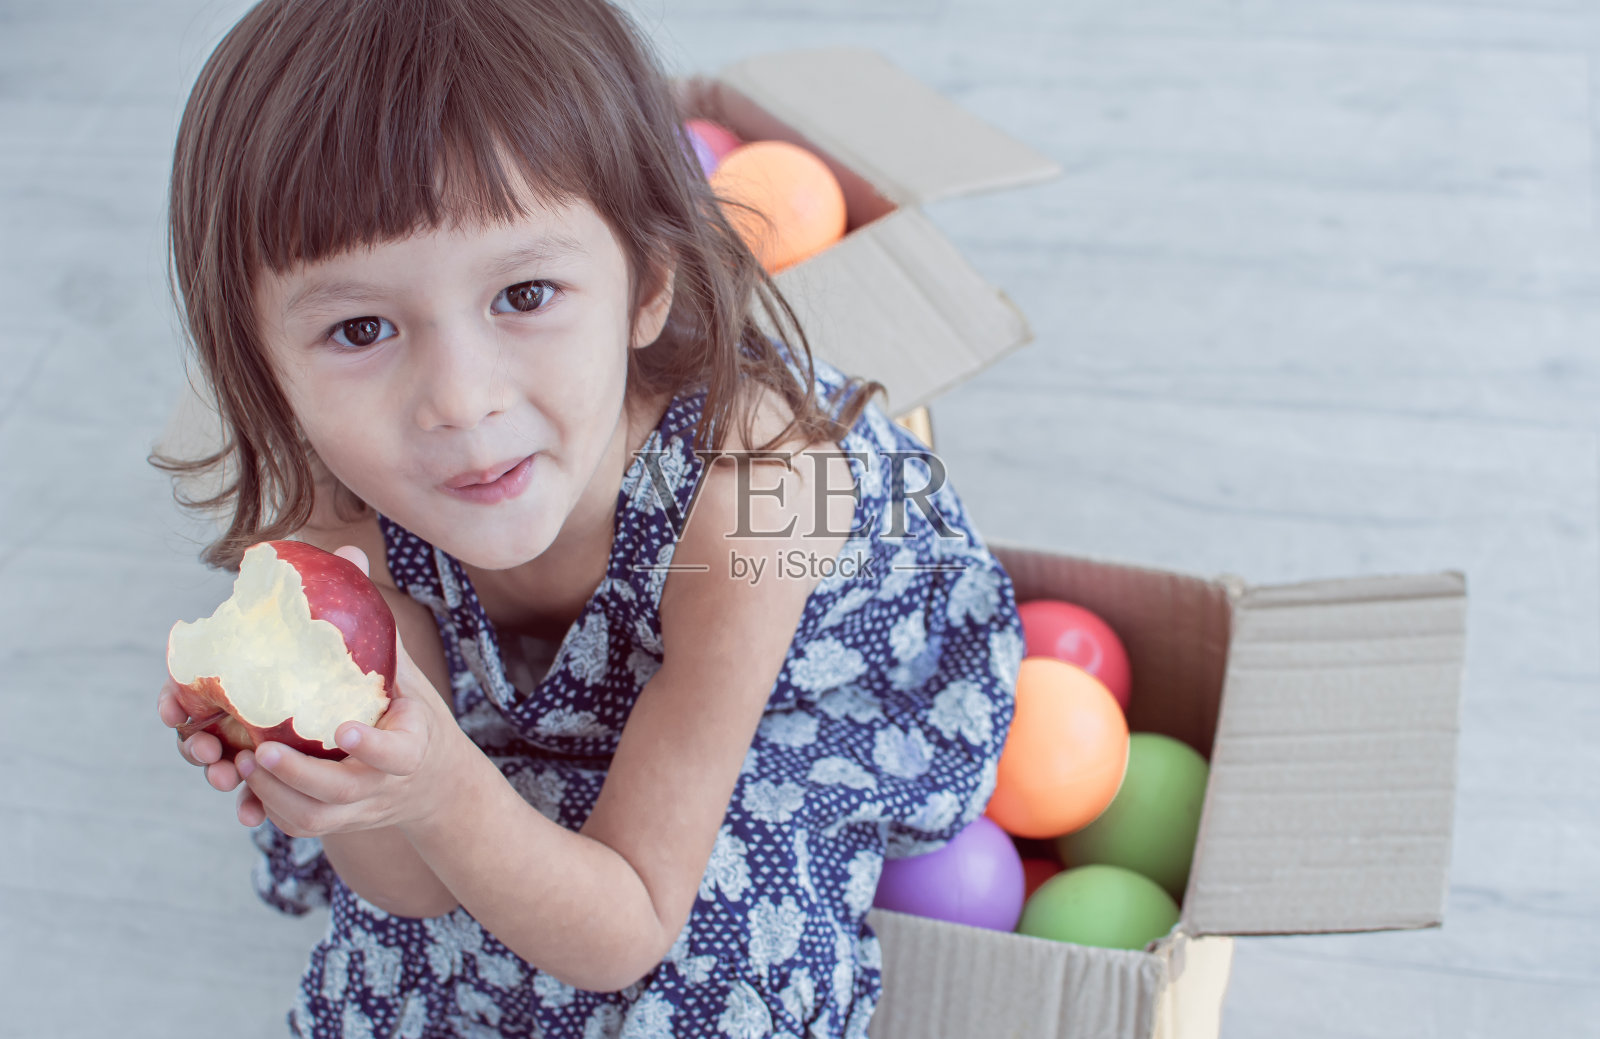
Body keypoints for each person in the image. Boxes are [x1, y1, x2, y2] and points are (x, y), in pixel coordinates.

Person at [150, 1, 1023, 1035]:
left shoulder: (755, 487)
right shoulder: (334, 520)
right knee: (396, 954)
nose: (461, 403)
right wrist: (355, 781)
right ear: (264, 370)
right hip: (570, 682)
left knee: (728, 959)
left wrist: (441, 790)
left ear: (647, 285)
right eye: (363, 326)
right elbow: (412, 890)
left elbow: (631, 922)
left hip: (780, 665)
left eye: (523, 295)